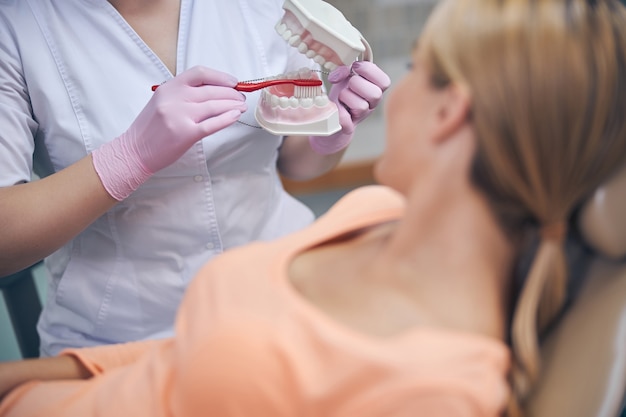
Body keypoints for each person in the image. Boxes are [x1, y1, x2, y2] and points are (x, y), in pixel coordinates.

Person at [1, 0, 625, 415]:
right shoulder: (369, 216)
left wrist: (319, 138)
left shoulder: (438, 384)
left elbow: (222, 356)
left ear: (449, 111)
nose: (396, 88)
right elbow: (201, 347)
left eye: (417, 65)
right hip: (108, 349)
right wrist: (35, 383)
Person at [0, 0, 391, 356]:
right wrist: (127, 157)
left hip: (284, 298)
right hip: (123, 342)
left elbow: (294, 163)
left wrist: (331, 130)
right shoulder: (14, 27)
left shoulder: (264, 7)